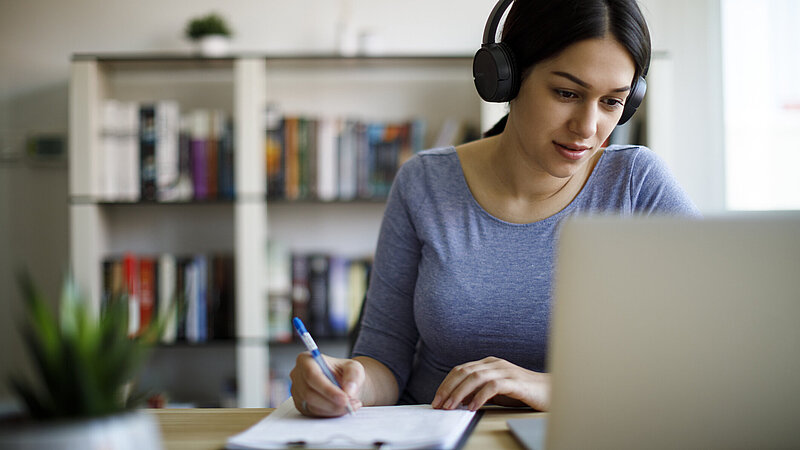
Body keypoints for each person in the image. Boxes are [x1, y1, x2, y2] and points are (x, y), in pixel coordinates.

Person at [290, 0, 700, 417]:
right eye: (566, 93)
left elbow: (710, 351)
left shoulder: (636, 185)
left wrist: (552, 387)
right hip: (439, 438)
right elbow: (383, 361)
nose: (587, 127)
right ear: (506, 77)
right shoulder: (424, 184)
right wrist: (346, 380)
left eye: (612, 102)